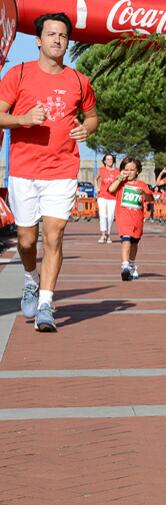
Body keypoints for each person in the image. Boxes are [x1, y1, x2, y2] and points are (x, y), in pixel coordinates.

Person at [0, 12, 98, 332]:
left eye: (63, 36)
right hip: (24, 170)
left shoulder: (78, 80)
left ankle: (45, 303)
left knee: (54, 236)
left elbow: (93, 117)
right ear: (39, 40)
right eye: (52, 35)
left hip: (62, 169)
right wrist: (24, 119)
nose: (58, 40)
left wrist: (87, 129)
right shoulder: (19, 74)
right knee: (28, 241)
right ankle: (30, 278)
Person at [107, 157, 152, 281]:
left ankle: (131, 264)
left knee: (134, 243)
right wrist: (119, 178)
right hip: (123, 218)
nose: (129, 172)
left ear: (137, 171)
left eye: (132, 170)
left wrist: (143, 193)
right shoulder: (120, 184)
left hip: (137, 219)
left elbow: (150, 198)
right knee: (126, 239)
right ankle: (125, 266)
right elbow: (110, 189)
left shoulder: (142, 185)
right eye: (126, 169)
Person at [94, 153, 117, 244]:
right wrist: (97, 187)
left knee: (110, 216)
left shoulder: (117, 171)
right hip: (102, 196)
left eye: (111, 159)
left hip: (112, 197)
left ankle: (108, 235)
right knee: (103, 215)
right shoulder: (101, 170)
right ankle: (103, 235)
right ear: (104, 161)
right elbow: (96, 179)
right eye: (107, 159)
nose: (109, 161)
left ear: (113, 161)